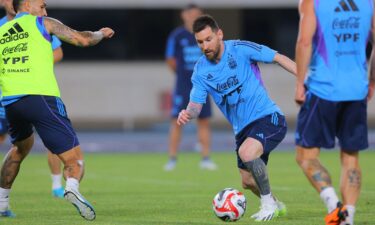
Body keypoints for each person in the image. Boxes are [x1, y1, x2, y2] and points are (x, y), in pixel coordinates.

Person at [0, 0, 114, 220]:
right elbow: (82, 39)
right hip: (40, 97)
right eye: (41, 5)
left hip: (11, 102)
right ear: (27, 5)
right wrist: (100, 33)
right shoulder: (42, 23)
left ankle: (2, 203)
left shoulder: (2, 31)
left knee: (20, 147)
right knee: (75, 159)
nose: (45, 10)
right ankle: (71, 187)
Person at [177, 15, 296, 221]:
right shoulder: (201, 71)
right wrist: (188, 113)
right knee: (248, 182)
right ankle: (275, 203)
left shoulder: (240, 49)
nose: (205, 46)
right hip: (242, 130)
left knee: (247, 152)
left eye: (208, 39)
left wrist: (305, 78)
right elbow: (196, 105)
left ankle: (267, 204)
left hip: (268, 117)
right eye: (200, 42)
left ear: (219, 34)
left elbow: (277, 57)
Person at [294, 0, 374, 224]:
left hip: (323, 89)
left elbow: (304, 41)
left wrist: (300, 83)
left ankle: (333, 205)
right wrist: (372, 81)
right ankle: (348, 217)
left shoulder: (312, 2)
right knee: (350, 158)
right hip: (356, 90)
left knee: (306, 156)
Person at [0, 0, 66, 199]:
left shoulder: (38, 23)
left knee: (52, 138)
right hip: (8, 95)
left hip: (37, 91)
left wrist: (31, 62)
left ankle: (56, 185)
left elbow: (58, 52)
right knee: (13, 144)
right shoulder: (2, 27)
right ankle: (3, 200)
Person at [164, 4, 217, 171]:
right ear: (184, 15)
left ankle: (206, 158)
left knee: (204, 121)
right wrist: (182, 74)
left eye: (197, 14)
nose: (194, 17)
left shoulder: (205, 35)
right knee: (177, 121)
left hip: (203, 85)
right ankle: (172, 159)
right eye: (191, 14)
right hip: (183, 85)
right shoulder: (177, 36)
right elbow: (170, 59)